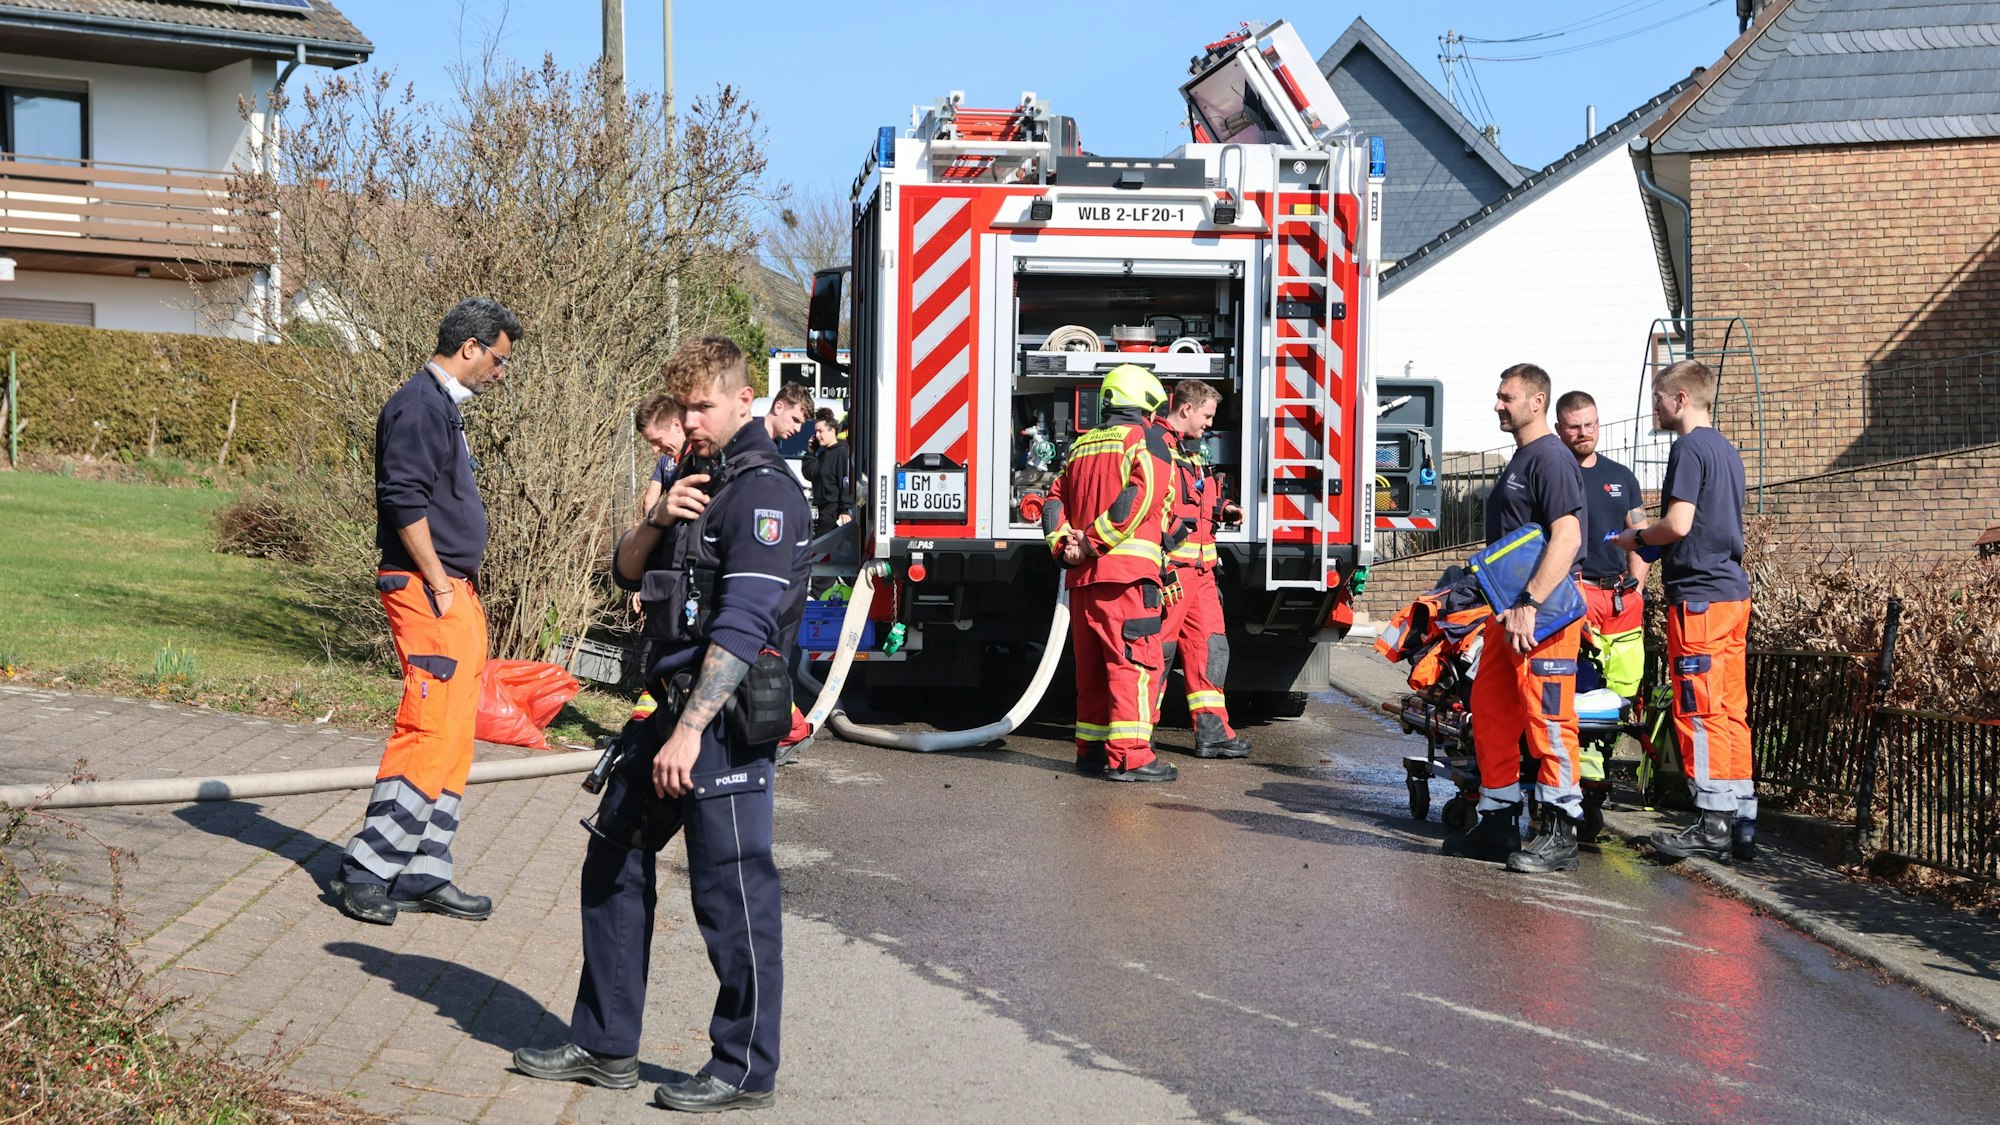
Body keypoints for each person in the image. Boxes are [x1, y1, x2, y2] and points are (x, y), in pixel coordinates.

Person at [512, 336, 807, 1112]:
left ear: (746, 399)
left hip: (722, 719)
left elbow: (743, 625)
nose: (691, 419)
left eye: (704, 405)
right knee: (612, 854)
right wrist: (656, 517)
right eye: (683, 407)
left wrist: (689, 732)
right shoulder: (692, 475)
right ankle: (606, 1043)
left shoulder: (765, 494)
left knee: (731, 892)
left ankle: (744, 1067)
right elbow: (627, 570)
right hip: (666, 706)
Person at [334, 296, 521, 926]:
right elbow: (403, 497)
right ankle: (366, 870)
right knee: (427, 723)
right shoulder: (418, 404)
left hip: (451, 589)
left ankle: (424, 869)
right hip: (428, 589)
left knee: (456, 727)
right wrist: (440, 581)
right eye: (498, 359)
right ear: (469, 347)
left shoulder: (440, 407)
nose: (500, 372)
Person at [1444, 363, 1590, 875]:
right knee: (1492, 712)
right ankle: (1499, 818)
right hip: (1509, 616)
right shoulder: (1523, 458)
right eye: (1498, 395)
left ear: (1537, 401)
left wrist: (1529, 602)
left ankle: (1560, 829)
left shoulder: (1550, 458)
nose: (1498, 404)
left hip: (1541, 618)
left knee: (1549, 721)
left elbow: (1567, 537)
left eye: (1507, 396)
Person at [1613, 359, 1756, 863]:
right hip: (1731, 593)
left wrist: (1635, 538)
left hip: (1698, 598)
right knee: (1730, 706)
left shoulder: (1689, 448)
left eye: (1658, 397)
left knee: (1697, 706)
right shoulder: (1726, 450)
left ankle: (1711, 823)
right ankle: (1741, 819)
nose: (1653, 406)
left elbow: (1677, 523)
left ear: (1679, 399)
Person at [1042, 364, 1177, 783]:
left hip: (1082, 580)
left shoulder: (1080, 446)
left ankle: (1092, 751)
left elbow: (1051, 502)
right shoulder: (1146, 439)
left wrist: (1065, 546)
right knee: (1133, 665)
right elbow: (1141, 497)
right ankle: (1131, 756)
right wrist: (1095, 542)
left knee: (1093, 669)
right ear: (1145, 404)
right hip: (1126, 577)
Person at [1157, 380, 1251, 758]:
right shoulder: (1157, 449)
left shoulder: (1191, 451)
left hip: (1203, 573)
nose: (1210, 424)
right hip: (1173, 571)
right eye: (1207, 415)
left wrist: (1225, 508)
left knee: (1211, 650)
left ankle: (1212, 734)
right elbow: (1148, 508)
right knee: (1156, 653)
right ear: (1186, 410)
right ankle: (1135, 737)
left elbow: (1199, 496)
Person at [1555, 390, 1648, 700]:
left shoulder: (1622, 476)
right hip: (1575, 593)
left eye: (1590, 425)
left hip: (1620, 596)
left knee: (1624, 683)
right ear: (1559, 429)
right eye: (1575, 427)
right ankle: (1577, 748)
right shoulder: (1552, 475)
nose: (1584, 433)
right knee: (1578, 682)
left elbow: (1640, 532)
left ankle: (1611, 740)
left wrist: (1636, 590)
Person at [801, 407, 852, 536]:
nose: (817, 435)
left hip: (834, 514)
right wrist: (811, 453)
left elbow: (845, 482)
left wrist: (844, 510)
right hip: (823, 512)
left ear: (832, 430)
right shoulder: (823, 454)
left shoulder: (842, 452)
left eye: (820, 431)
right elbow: (809, 474)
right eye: (816, 432)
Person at [636, 393, 685, 523]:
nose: (654, 449)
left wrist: (651, 527)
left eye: (657, 440)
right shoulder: (665, 461)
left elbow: (649, 501)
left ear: (676, 425)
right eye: (651, 443)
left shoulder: (699, 457)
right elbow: (648, 501)